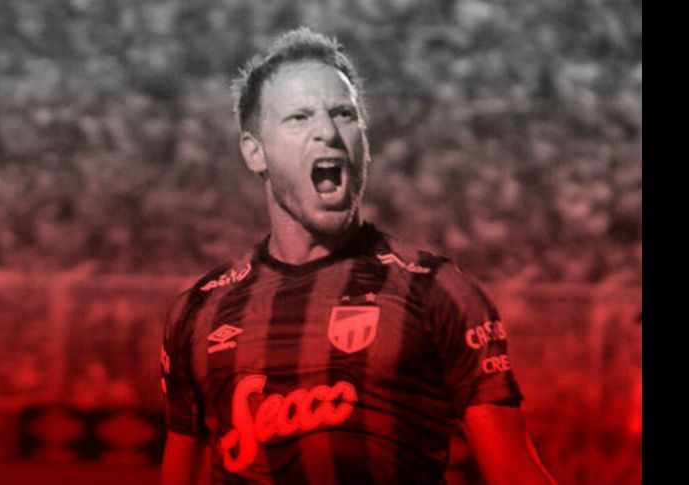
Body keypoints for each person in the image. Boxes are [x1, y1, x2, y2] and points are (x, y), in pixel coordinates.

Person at [160, 27, 556, 485]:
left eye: (344, 114)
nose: (328, 132)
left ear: (364, 141)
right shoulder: (199, 311)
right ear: (255, 152)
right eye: (299, 118)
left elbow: (514, 471)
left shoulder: (437, 292)